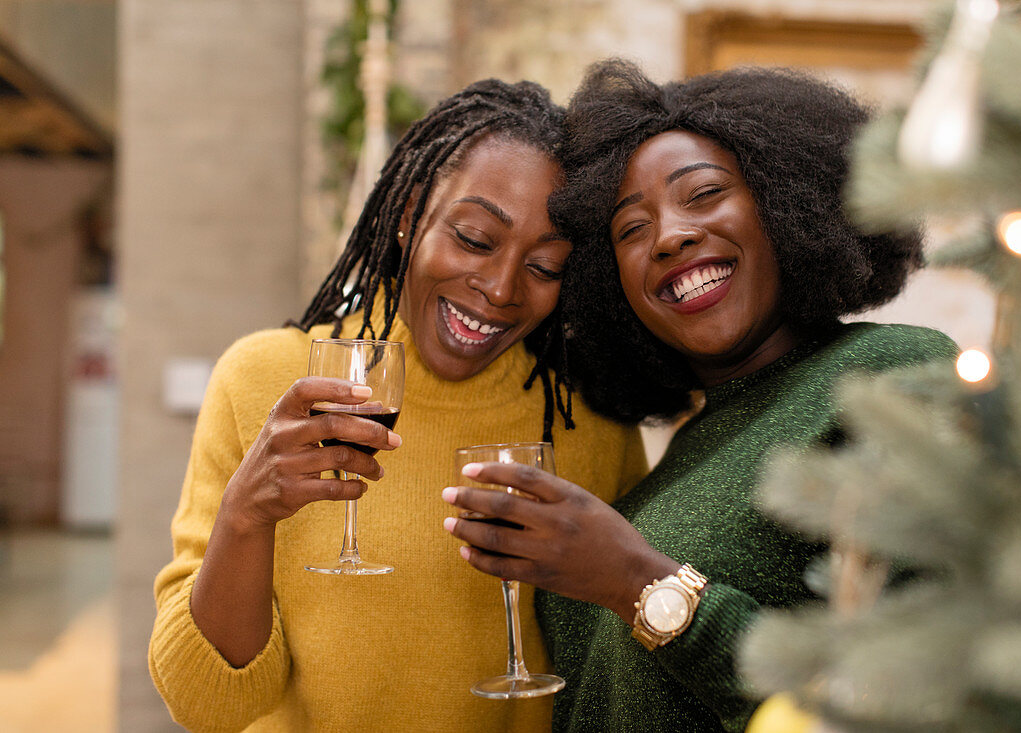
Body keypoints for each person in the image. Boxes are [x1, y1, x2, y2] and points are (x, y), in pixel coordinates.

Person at [442, 60, 958, 731]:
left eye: (704, 193)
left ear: (786, 203)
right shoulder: (682, 455)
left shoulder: (892, 375)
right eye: (631, 229)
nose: (671, 236)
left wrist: (637, 582)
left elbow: (919, 688)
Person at [148, 78, 647, 733]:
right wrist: (246, 515)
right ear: (412, 212)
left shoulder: (588, 420)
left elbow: (622, 673)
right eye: (473, 238)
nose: (499, 288)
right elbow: (206, 705)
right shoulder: (263, 377)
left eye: (545, 266)